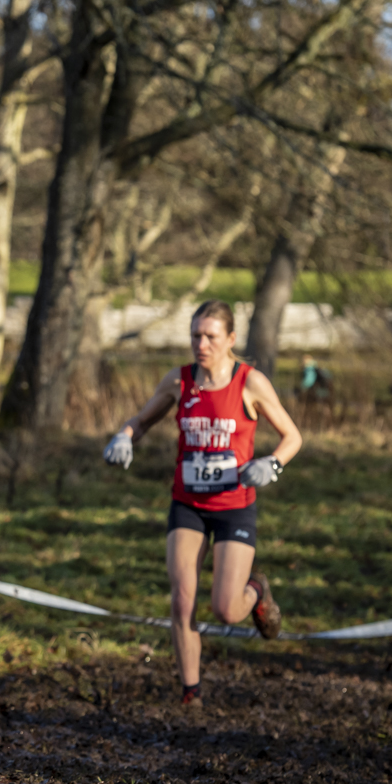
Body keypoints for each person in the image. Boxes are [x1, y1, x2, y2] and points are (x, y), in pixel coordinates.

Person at [103, 300, 302, 707]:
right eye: (195, 335)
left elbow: (293, 436)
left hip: (234, 506)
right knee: (182, 599)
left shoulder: (250, 382)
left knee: (227, 609)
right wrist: (123, 437)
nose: (201, 343)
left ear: (230, 339)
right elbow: (140, 421)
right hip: (187, 505)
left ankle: (257, 589)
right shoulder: (179, 383)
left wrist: (272, 464)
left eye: (211, 336)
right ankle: (190, 693)